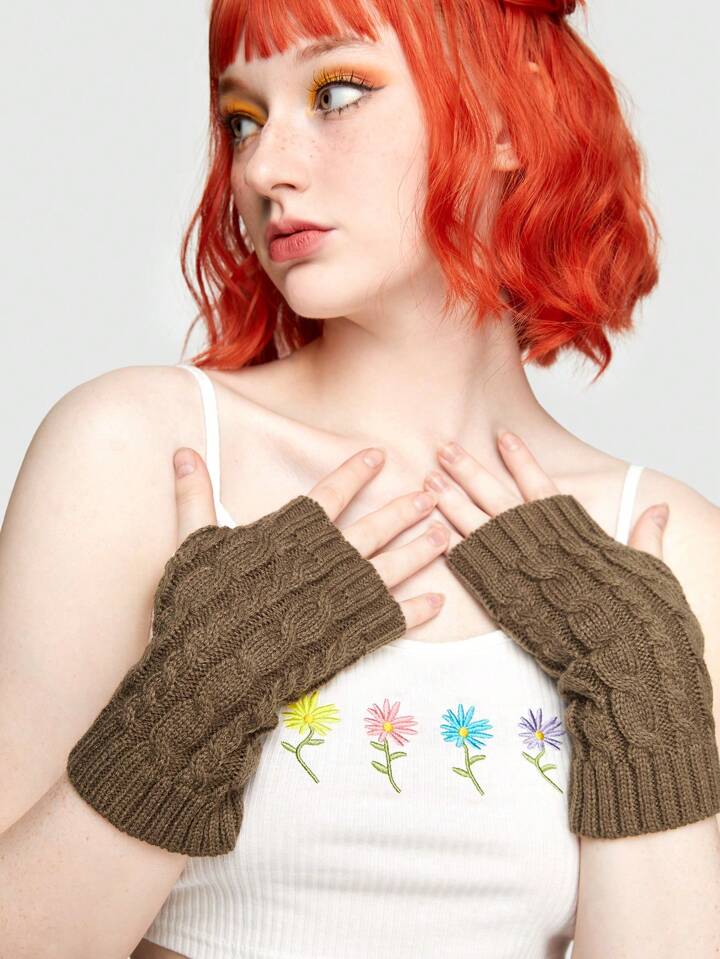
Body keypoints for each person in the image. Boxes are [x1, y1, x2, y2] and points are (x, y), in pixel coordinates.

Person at [1, 0, 719, 957]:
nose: (262, 168)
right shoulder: (141, 451)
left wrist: (645, 700)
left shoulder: (664, 546)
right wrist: (195, 702)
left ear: (507, 118)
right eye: (242, 119)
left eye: (336, 94)